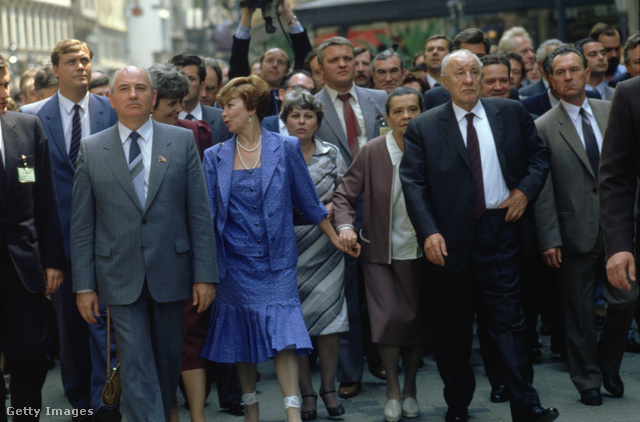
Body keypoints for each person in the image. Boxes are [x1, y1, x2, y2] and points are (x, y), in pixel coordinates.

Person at [399, 49, 558, 422]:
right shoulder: (425, 126)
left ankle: (525, 404)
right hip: (448, 240)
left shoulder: (511, 113)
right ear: (445, 81)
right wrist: (428, 233)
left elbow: (540, 157)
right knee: (453, 331)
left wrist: (524, 191)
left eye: (474, 72)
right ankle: (458, 404)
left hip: (499, 232)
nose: (468, 79)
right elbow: (414, 184)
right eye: (459, 73)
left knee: (509, 323)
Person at [200, 75, 358, 422]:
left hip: (278, 263)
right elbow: (207, 217)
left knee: (285, 337)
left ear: (252, 109)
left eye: (230, 105)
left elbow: (310, 202)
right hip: (234, 264)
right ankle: (252, 410)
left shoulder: (284, 149)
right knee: (241, 337)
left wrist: (336, 237)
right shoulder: (214, 157)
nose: (223, 112)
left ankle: (292, 414)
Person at [71, 65, 218, 422]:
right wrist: (84, 286)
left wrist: (205, 275)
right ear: (111, 99)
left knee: (168, 363)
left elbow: (199, 214)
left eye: (141, 88)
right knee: (134, 362)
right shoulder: (92, 149)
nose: (133, 94)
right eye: (124, 88)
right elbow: (82, 226)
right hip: (119, 276)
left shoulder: (180, 141)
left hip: (172, 272)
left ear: (154, 98)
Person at [21, 39, 120, 422]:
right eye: (72, 61)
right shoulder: (32, 117)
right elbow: (27, 182)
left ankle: (104, 401)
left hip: (107, 239)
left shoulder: (110, 112)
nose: (81, 67)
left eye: (86, 61)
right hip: (59, 243)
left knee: (104, 324)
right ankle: (79, 403)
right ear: (56, 69)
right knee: (71, 329)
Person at [533, 46, 637, 406]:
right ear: (551, 80)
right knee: (577, 313)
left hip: (618, 230)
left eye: (574, 69)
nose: (568, 77)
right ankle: (587, 380)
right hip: (572, 231)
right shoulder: (543, 127)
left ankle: (607, 364)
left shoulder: (613, 110)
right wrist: (549, 238)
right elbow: (543, 190)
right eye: (560, 72)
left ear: (587, 72)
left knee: (626, 299)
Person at [333, 87, 428, 422]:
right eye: (398, 111)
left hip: (422, 251)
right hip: (380, 252)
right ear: (386, 118)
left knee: (416, 321)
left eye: (413, 110)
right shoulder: (373, 151)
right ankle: (392, 389)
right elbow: (344, 195)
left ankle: (412, 387)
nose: (406, 117)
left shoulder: (432, 147)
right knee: (387, 320)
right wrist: (345, 226)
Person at [314, 36, 387, 399]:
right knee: (344, 293)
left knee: (382, 286)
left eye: (348, 58)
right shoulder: (309, 110)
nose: (343, 65)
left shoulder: (380, 101)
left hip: (383, 208)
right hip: (334, 212)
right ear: (321, 67)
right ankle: (350, 371)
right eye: (334, 60)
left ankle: (382, 356)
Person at [147, 63, 218, 422]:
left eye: (181, 102)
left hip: (184, 254)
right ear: (151, 100)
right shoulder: (125, 139)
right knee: (157, 347)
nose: (179, 110)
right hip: (144, 261)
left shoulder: (195, 133)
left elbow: (203, 204)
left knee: (190, 337)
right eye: (171, 104)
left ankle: (198, 415)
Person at [0, 54, 66, 421]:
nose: (3, 92)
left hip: (22, 265)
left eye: (6, 83)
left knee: (31, 353)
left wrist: (53, 260)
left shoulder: (27, 128)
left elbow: (46, 201)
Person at [280, 89, 349, 421]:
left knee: (330, 322)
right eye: (295, 115)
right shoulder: (275, 152)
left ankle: (329, 388)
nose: (301, 121)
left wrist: (328, 208)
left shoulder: (332, 153)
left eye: (308, 116)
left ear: (318, 121)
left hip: (327, 246)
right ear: (285, 120)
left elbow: (347, 192)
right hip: (287, 251)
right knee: (297, 326)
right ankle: (306, 393)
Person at [229, 0, 312, 117]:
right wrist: (246, 16)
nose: (275, 65)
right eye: (269, 60)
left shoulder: (295, 93)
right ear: (260, 66)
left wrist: (287, 13)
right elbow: (238, 62)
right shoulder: (250, 93)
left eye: (281, 62)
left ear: (288, 70)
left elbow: (305, 57)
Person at [169, 53, 231, 145]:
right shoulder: (165, 118)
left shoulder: (222, 119)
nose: (184, 83)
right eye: (179, 77)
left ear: (202, 85)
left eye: (190, 78)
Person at [262, 70, 316, 135]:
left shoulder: (316, 126)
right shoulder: (261, 125)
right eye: (299, 88)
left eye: (311, 91)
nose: (306, 95)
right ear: (282, 94)